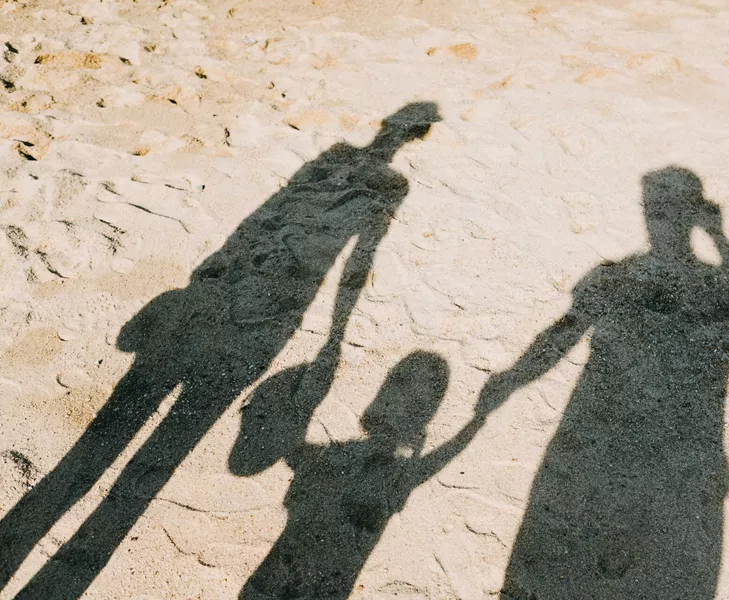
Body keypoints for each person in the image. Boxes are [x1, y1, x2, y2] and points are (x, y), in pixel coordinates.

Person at [0, 102, 441, 599]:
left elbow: (259, 225)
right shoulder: (382, 181)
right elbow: (359, 255)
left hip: (217, 311)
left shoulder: (338, 163)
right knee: (161, 448)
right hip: (263, 322)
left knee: (100, 446)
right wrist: (336, 333)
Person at [477, 166, 729, 599]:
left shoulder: (627, 276)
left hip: (647, 427)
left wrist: (514, 378)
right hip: (644, 425)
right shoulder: (638, 277)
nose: (659, 223)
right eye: (655, 211)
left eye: (665, 212)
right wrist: (719, 236)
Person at [230, 351, 483, 599]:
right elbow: (431, 465)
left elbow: (289, 452)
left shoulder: (345, 458)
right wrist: (477, 420)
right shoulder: (384, 466)